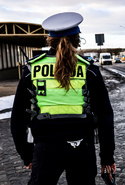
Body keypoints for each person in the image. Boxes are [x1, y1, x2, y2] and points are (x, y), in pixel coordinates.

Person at [10, 12, 116, 185]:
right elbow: (105, 116)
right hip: (82, 148)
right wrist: (107, 157)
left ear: (49, 40)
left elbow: (17, 120)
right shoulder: (89, 70)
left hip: (45, 149)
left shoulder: (31, 70)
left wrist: (26, 154)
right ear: (78, 40)